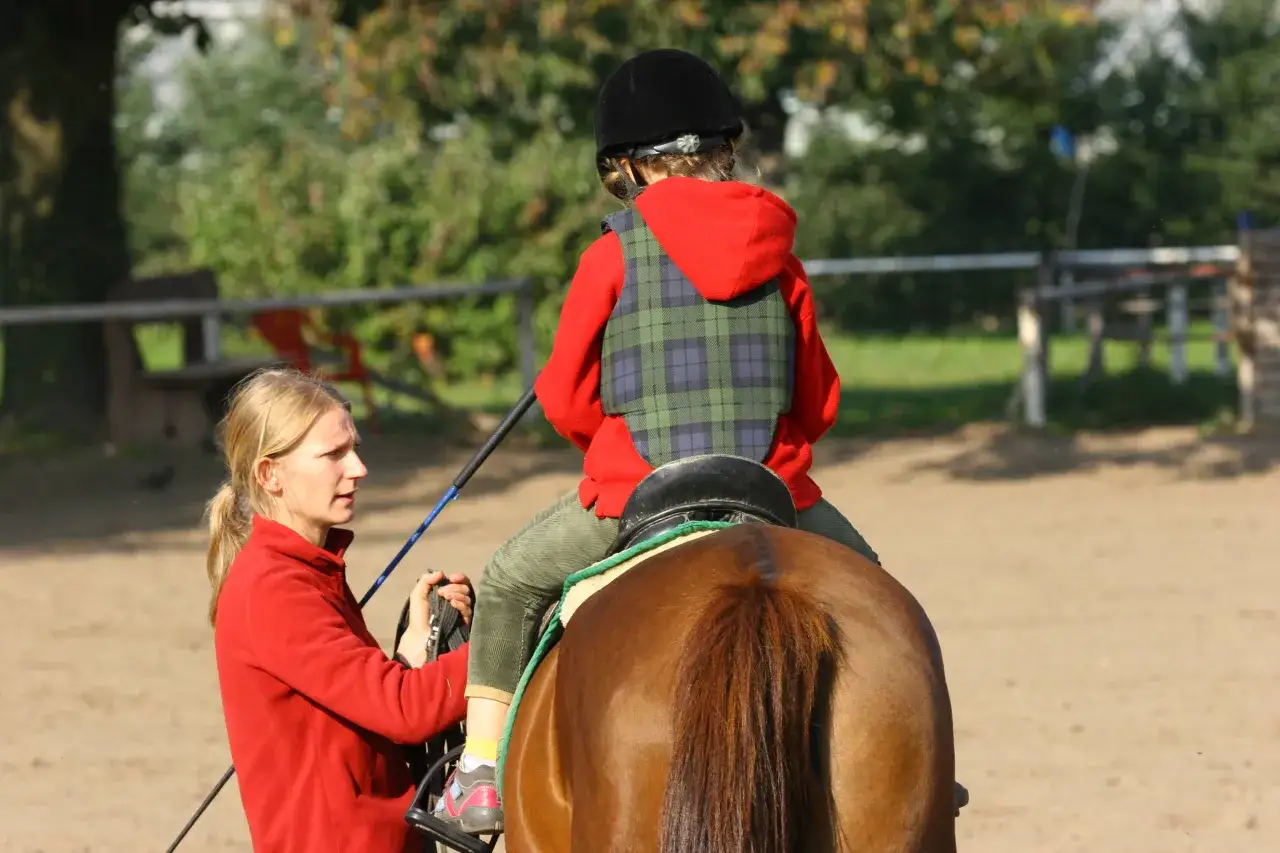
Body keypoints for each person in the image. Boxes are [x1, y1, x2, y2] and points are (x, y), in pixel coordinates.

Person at [430, 47, 884, 835]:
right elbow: (819, 402)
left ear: (632, 166)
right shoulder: (783, 258)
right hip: (770, 491)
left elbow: (566, 399)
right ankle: (896, 768)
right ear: (722, 150)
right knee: (876, 594)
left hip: (638, 491)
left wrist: (613, 441)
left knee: (508, 581)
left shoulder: (612, 253)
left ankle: (478, 774)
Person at [206, 367, 475, 853]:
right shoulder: (272, 586)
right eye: (333, 454)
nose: (358, 468)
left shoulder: (307, 567)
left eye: (353, 449)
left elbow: (352, 722)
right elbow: (404, 710)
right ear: (270, 474)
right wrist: (509, 640)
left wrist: (409, 656)